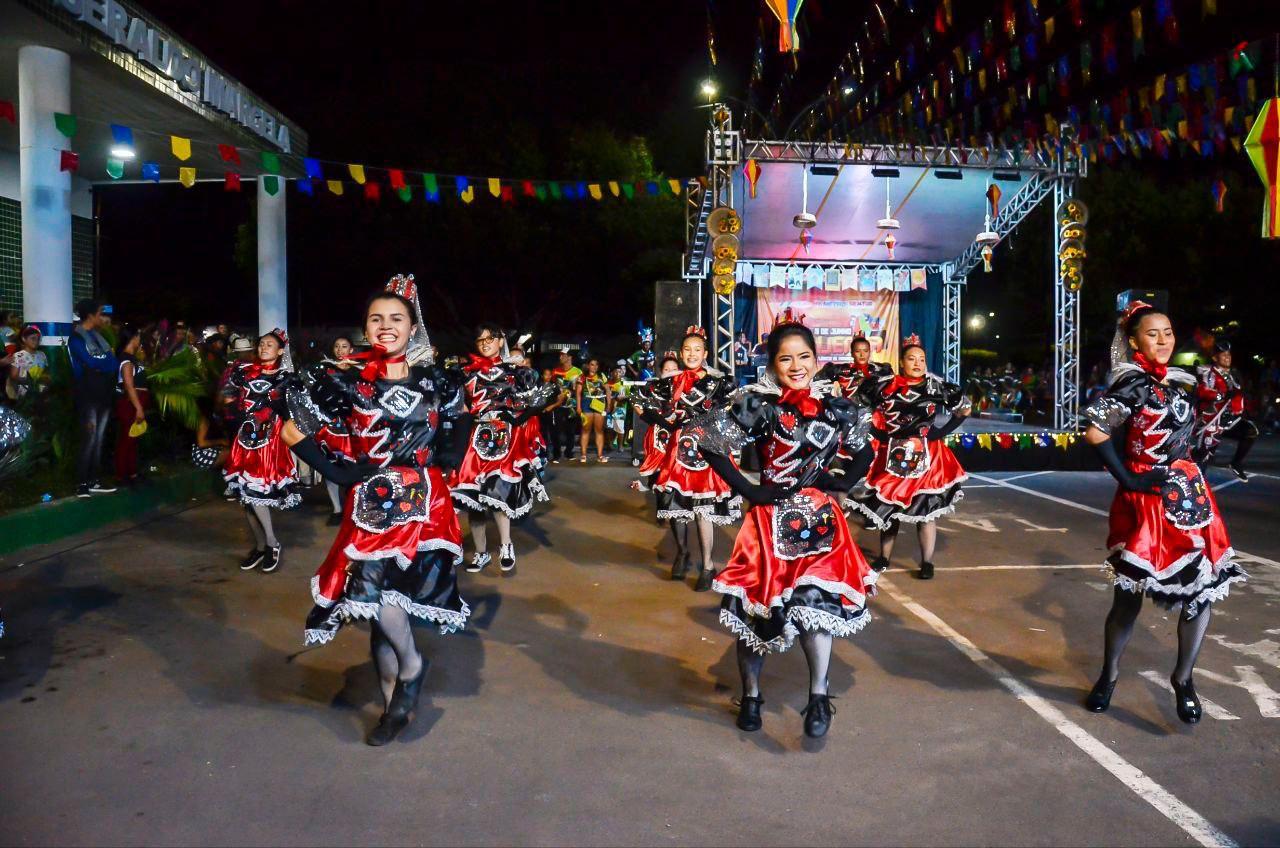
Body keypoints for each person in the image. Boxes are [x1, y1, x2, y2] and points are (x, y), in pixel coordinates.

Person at [283, 274, 470, 746]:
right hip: (369, 506)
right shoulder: (344, 382)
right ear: (365, 329)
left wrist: (450, 452)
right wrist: (337, 472)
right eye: (376, 319)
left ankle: (393, 708)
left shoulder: (437, 378)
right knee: (375, 598)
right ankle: (409, 674)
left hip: (425, 505)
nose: (386, 327)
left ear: (413, 328)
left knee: (389, 603)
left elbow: (461, 418)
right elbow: (290, 427)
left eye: (396, 319)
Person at [687, 312, 876, 737]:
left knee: (816, 607)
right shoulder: (760, 405)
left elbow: (865, 446)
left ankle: (819, 698)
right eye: (786, 359)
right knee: (759, 613)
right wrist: (750, 490)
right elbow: (710, 443)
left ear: (816, 358)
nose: (796, 366)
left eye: (804, 356)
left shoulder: (836, 407)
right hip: (768, 524)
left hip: (820, 521)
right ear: (773, 364)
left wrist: (842, 482)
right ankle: (752, 697)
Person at [1081, 302, 1244, 724]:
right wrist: (1129, 481)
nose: (1163, 341)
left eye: (1168, 332)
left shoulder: (1180, 384)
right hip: (1145, 501)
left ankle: (1184, 679)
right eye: (1152, 334)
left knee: (1200, 592)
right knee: (1127, 599)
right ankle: (1109, 676)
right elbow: (1096, 432)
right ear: (1134, 341)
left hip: (1189, 496)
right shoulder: (1131, 384)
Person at [849, 335, 971, 580]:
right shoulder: (884, 385)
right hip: (894, 455)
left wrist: (940, 432)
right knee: (890, 510)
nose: (918, 363)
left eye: (922, 359)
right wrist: (878, 433)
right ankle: (884, 558)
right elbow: (858, 406)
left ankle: (927, 562)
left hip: (928, 458)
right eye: (912, 359)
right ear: (901, 362)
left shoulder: (935, 386)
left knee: (925, 511)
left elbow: (964, 408)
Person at [642, 327, 741, 590]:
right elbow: (646, 407)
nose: (692, 354)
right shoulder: (670, 382)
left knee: (702, 510)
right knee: (675, 508)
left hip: (705, 454)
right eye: (688, 350)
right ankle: (682, 552)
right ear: (681, 353)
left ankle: (708, 565)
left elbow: (729, 418)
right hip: (676, 453)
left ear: (706, 353)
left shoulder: (718, 383)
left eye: (697, 350)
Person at [452, 322, 555, 575]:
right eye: (481, 340)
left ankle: (506, 545)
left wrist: (517, 419)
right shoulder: (466, 373)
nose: (486, 343)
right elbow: (459, 408)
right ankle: (481, 552)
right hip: (475, 440)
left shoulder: (516, 372)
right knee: (473, 499)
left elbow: (542, 398)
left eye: (491, 338)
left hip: (506, 440)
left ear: (501, 341)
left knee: (497, 492)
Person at [221, 329, 300, 574]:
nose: (264, 347)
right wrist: (231, 401)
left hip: (269, 443)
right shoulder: (243, 372)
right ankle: (260, 546)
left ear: (279, 351)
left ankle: (273, 543)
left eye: (270, 345)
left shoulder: (286, 378)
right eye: (262, 344)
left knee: (256, 493)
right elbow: (226, 398)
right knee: (246, 499)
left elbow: (294, 412)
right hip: (243, 440)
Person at [68, 299, 119, 498]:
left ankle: (94, 481)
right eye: (99, 313)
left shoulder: (98, 337)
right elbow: (88, 362)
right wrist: (103, 363)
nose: (102, 318)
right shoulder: (76, 338)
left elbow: (113, 364)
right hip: (87, 394)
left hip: (103, 393)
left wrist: (101, 364)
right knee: (89, 438)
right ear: (90, 315)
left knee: (99, 438)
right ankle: (82, 484)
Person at [1193, 341, 1257, 481]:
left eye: (1229, 354)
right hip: (1213, 421)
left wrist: (1244, 408)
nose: (1227, 357)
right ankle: (1194, 484)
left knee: (1250, 432)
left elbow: (1240, 393)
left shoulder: (1234, 373)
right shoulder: (1208, 372)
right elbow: (1203, 390)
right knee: (1203, 457)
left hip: (1231, 419)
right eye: (1223, 355)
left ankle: (1235, 463)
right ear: (1215, 358)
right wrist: (1220, 395)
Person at [318, 335, 357, 526]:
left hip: (353, 428)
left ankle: (353, 507)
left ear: (351, 350)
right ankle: (337, 509)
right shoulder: (326, 372)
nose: (340, 350)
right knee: (330, 469)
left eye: (344, 346)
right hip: (331, 428)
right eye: (337, 346)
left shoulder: (359, 372)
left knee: (353, 468)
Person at [631, 352, 681, 493]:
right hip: (659, 434)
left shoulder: (687, 386)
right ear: (661, 371)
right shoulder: (653, 386)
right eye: (667, 369)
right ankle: (656, 488)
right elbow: (634, 399)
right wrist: (645, 417)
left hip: (679, 431)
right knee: (658, 462)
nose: (670, 372)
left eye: (674, 369)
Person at [113, 326, 149, 486]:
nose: (139, 340)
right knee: (126, 440)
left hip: (136, 401)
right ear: (132, 338)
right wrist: (138, 408)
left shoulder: (133, 358)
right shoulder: (126, 360)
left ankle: (132, 473)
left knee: (133, 440)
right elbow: (129, 385)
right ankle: (122, 476)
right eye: (138, 336)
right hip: (130, 403)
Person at [817, 335, 891, 398]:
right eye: (858, 351)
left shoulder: (879, 369)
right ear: (852, 353)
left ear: (869, 352)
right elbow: (820, 379)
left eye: (865, 351)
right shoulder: (843, 369)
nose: (862, 355)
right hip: (848, 412)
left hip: (873, 411)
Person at [576, 357, 611, 463]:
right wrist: (578, 406)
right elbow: (578, 393)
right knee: (586, 429)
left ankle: (600, 456)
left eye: (596, 364)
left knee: (599, 430)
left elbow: (608, 390)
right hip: (586, 403)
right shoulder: (582, 377)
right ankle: (583, 455)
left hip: (599, 403)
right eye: (592, 364)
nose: (594, 367)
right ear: (588, 365)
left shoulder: (602, 376)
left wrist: (609, 404)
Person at [551, 350, 582, 460]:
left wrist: (579, 406)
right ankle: (556, 454)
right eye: (560, 355)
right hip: (558, 406)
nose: (560, 357)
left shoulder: (578, 372)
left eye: (563, 355)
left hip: (571, 407)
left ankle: (569, 452)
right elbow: (552, 388)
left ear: (569, 357)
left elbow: (579, 391)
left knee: (571, 431)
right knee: (556, 430)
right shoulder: (555, 371)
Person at [6, 326, 49, 401]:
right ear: (24, 339)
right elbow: (13, 376)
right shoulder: (18, 356)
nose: (36, 341)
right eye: (33, 338)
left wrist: (44, 379)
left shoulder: (42, 355)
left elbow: (45, 372)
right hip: (23, 394)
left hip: (40, 392)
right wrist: (29, 381)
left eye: (38, 339)